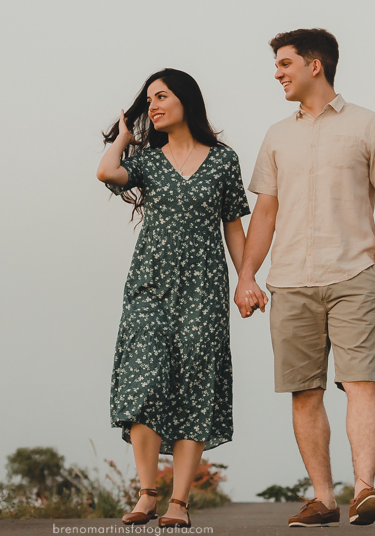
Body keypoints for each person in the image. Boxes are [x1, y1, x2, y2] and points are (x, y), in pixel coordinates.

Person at [236, 29, 375, 528]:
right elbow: (264, 214)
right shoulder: (276, 135)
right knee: (304, 392)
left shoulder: (368, 125)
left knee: (360, 383)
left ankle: (366, 489)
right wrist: (247, 274)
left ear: (315, 65)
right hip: (288, 280)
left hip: (356, 274)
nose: (277, 73)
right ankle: (323, 499)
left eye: (285, 63)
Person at [96, 68, 251, 529]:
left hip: (204, 288)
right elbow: (106, 170)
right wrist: (124, 135)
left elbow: (233, 226)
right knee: (142, 384)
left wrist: (248, 280)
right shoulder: (145, 161)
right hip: (149, 285)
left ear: (186, 100)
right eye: (149, 101)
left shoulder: (224, 161)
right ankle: (147, 493)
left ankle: (179, 502)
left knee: (195, 389)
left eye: (162, 97)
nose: (154, 106)